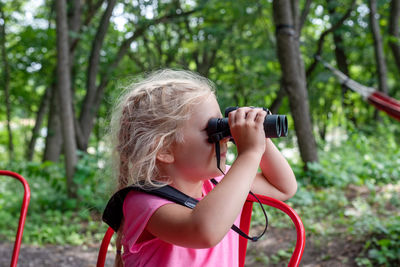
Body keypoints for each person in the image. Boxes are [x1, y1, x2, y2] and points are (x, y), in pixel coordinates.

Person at [109, 69, 297, 267]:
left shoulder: (217, 183)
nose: (225, 137)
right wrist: (249, 153)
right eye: (212, 128)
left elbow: (282, 188)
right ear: (163, 149)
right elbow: (203, 231)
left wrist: (258, 133)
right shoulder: (143, 203)